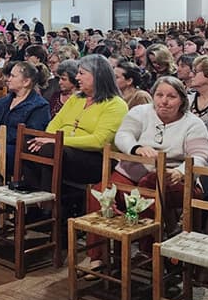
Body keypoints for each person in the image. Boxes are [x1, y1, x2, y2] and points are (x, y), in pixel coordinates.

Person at [23, 54, 129, 217]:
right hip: (63, 150)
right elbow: (54, 125)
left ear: (97, 75)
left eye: (82, 73)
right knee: (28, 145)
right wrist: (49, 139)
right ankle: (34, 203)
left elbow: (99, 141)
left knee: (51, 150)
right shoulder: (76, 98)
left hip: (96, 159)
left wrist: (57, 140)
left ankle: (48, 208)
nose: (77, 77)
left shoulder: (115, 104)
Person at [111, 76, 208, 237]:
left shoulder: (193, 123)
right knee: (100, 191)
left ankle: (148, 250)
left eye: (171, 97)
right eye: (159, 95)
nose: (164, 101)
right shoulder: (140, 112)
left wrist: (180, 172)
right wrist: (137, 148)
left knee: (148, 189)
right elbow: (123, 135)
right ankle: (98, 256)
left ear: (182, 100)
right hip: (133, 172)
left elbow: (200, 156)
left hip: (173, 178)